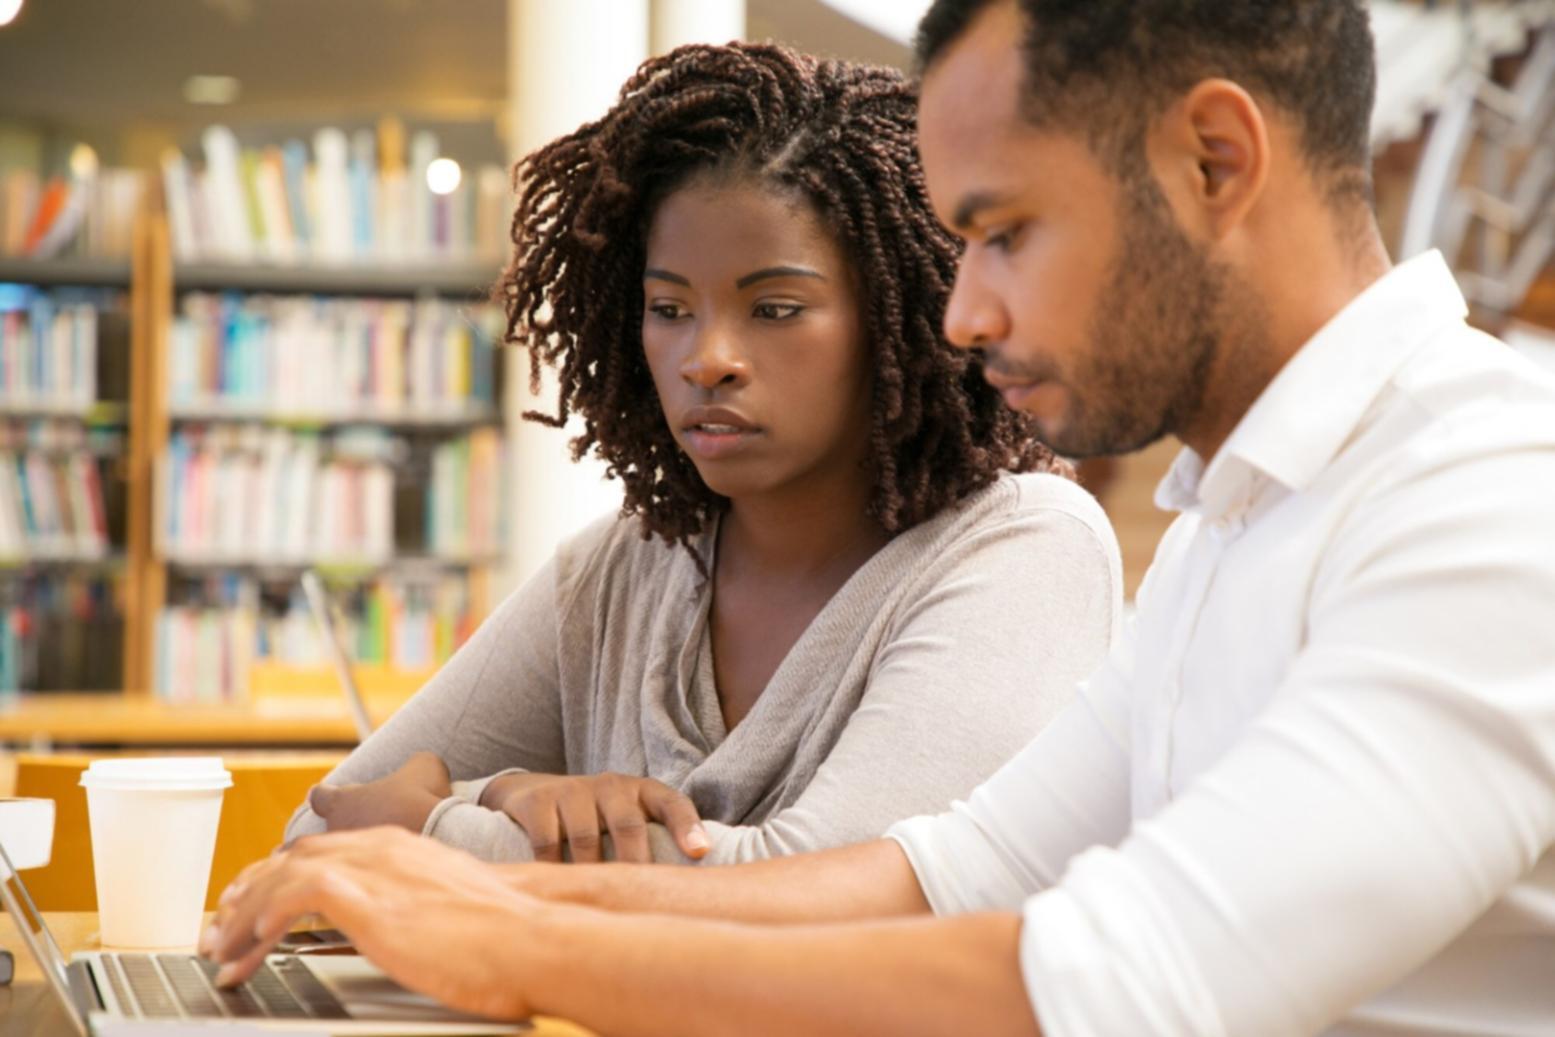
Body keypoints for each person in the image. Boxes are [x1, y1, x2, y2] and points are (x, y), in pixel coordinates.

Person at [204, 1, 1555, 1034]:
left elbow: (1124, 972)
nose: (961, 315)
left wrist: (505, 934)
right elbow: (943, 870)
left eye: (1005, 231)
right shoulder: (1231, 520)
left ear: (1211, 161)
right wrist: (494, 890)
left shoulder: (1486, 495)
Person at [281, 40, 1121, 869]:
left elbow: (810, 894)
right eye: (668, 307)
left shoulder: (1025, 551)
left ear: (902, 319)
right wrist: (508, 792)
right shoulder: (623, 569)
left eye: (776, 308)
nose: (705, 356)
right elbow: (320, 830)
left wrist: (438, 827)